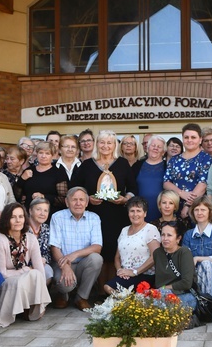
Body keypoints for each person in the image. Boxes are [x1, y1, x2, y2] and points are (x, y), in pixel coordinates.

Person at [71, 130, 137, 283]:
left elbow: (133, 188)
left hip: (117, 215)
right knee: (97, 248)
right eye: (102, 142)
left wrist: (125, 199)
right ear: (97, 144)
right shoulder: (87, 165)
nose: (105, 146)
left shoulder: (122, 163)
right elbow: (74, 187)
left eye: (109, 142)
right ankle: (97, 288)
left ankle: (113, 287)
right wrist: (87, 198)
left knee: (114, 248)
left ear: (114, 145)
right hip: (93, 214)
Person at [0, 203, 52, 328]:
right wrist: (25, 270)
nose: (18, 220)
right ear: (6, 219)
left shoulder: (30, 238)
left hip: (24, 280)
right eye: (13, 217)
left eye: (21, 216)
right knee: (25, 277)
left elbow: (39, 269)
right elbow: (2, 273)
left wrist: (34, 280)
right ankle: (7, 314)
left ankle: (33, 308)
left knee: (36, 273)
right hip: (6, 283)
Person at [49, 187, 104, 310]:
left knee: (96, 259)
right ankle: (63, 295)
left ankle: (81, 297)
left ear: (86, 202)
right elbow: (54, 247)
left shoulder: (94, 218)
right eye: (74, 200)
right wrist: (65, 266)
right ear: (67, 202)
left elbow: (97, 247)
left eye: (81, 200)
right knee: (65, 285)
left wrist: (75, 254)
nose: (78, 203)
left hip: (82, 264)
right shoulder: (57, 217)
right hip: (62, 263)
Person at [104, 197, 161, 294]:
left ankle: (129, 303)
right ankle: (129, 303)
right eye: (132, 211)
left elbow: (155, 256)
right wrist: (120, 271)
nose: (135, 214)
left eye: (138, 211)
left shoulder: (150, 229)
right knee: (109, 288)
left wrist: (135, 272)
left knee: (108, 287)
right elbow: (117, 257)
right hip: (125, 275)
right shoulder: (124, 230)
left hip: (144, 274)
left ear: (145, 213)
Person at [164, 123, 212, 219]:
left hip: (196, 208)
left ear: (200, 140)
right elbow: (166, 182)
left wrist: (187, 205)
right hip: (174, 206)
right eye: (186, 137)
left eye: (193, 137)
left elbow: (203, 184)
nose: (189, 140)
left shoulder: (206, 158)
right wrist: (181, 193)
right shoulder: (174, 159)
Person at [182, 196, 212, 300]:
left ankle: (209, 303)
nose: (199, 213)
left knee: (206, 265)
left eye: (203, 210)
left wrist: (197, 258)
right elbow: (185, 260)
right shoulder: (188, 234)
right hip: (194, 274)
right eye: (196, 210)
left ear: (210, 212)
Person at [16, 141, 69, 216]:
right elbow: (16, 195)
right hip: (29, 215)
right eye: (41, 153)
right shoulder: (29, 170)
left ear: (52, 156)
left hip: (50, 215)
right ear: (36, 154)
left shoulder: (58, 173)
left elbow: (64, 199)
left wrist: (44, 197)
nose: (43, 156)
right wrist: (22, 179)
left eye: (47, 153)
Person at [152, 222, 197, 309]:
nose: (165, 239)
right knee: (140, 299)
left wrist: (164, 288)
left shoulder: (184, 252)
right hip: (162, 294)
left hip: (183, 294)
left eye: (169, 235)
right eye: (163, 235)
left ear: (178, 238)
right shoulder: (157, 253)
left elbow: (186, 283)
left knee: (156, 303)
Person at [132, 135, 166, 222]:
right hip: (140, 212)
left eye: (159, 147)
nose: (155, 148)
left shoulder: (168, 166)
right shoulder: (137, 166)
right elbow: (131, 188)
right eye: (153, 145)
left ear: (163, 152)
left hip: (162, 211)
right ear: (147, 148)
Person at [28, 197, 54, 286]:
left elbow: (48, 253)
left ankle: (39, 298)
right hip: (24, 266)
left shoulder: (46, 228)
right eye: (38, 209)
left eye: (45, 210)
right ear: (30, 211)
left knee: (48, 272)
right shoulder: (22, 227)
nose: (42, 213)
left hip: (41, 265)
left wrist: (44, 260)